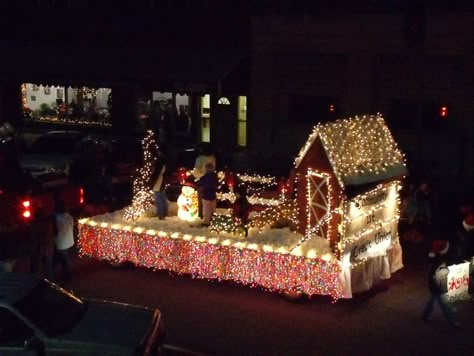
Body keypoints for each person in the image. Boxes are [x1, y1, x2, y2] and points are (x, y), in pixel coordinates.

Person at [421, 240, 460, 327]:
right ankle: (452, 320)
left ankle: (425, 315)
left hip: (435, 281)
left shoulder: (434, 256)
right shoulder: (440, 258)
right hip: (437, 282)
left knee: (433, 298)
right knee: (442, 302)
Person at [30, 207, 55, 279]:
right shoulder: (49, 223)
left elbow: (33, 237)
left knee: (38, 267)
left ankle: (40, 281)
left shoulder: (35, 225)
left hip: (39, 249)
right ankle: (50, 280)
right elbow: (52, 234)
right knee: (48, 265)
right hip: (48, 248)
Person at [53, 200, 74, 283]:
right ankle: (66, 274)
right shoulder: (70, 217)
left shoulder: (56, 219)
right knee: (64, 257)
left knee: (64, 259)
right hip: (69, 241)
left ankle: (68, 276)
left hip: (61, 243)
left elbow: (55, 231)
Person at [151, 153, 168, 219]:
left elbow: (156, 173)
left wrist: (152, 182)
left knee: (158, 199)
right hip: (162, 181)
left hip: (159, 181)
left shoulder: (159, 161)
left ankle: (161, 214)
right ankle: (164, 213)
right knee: (162, 197)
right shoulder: (165, 160)